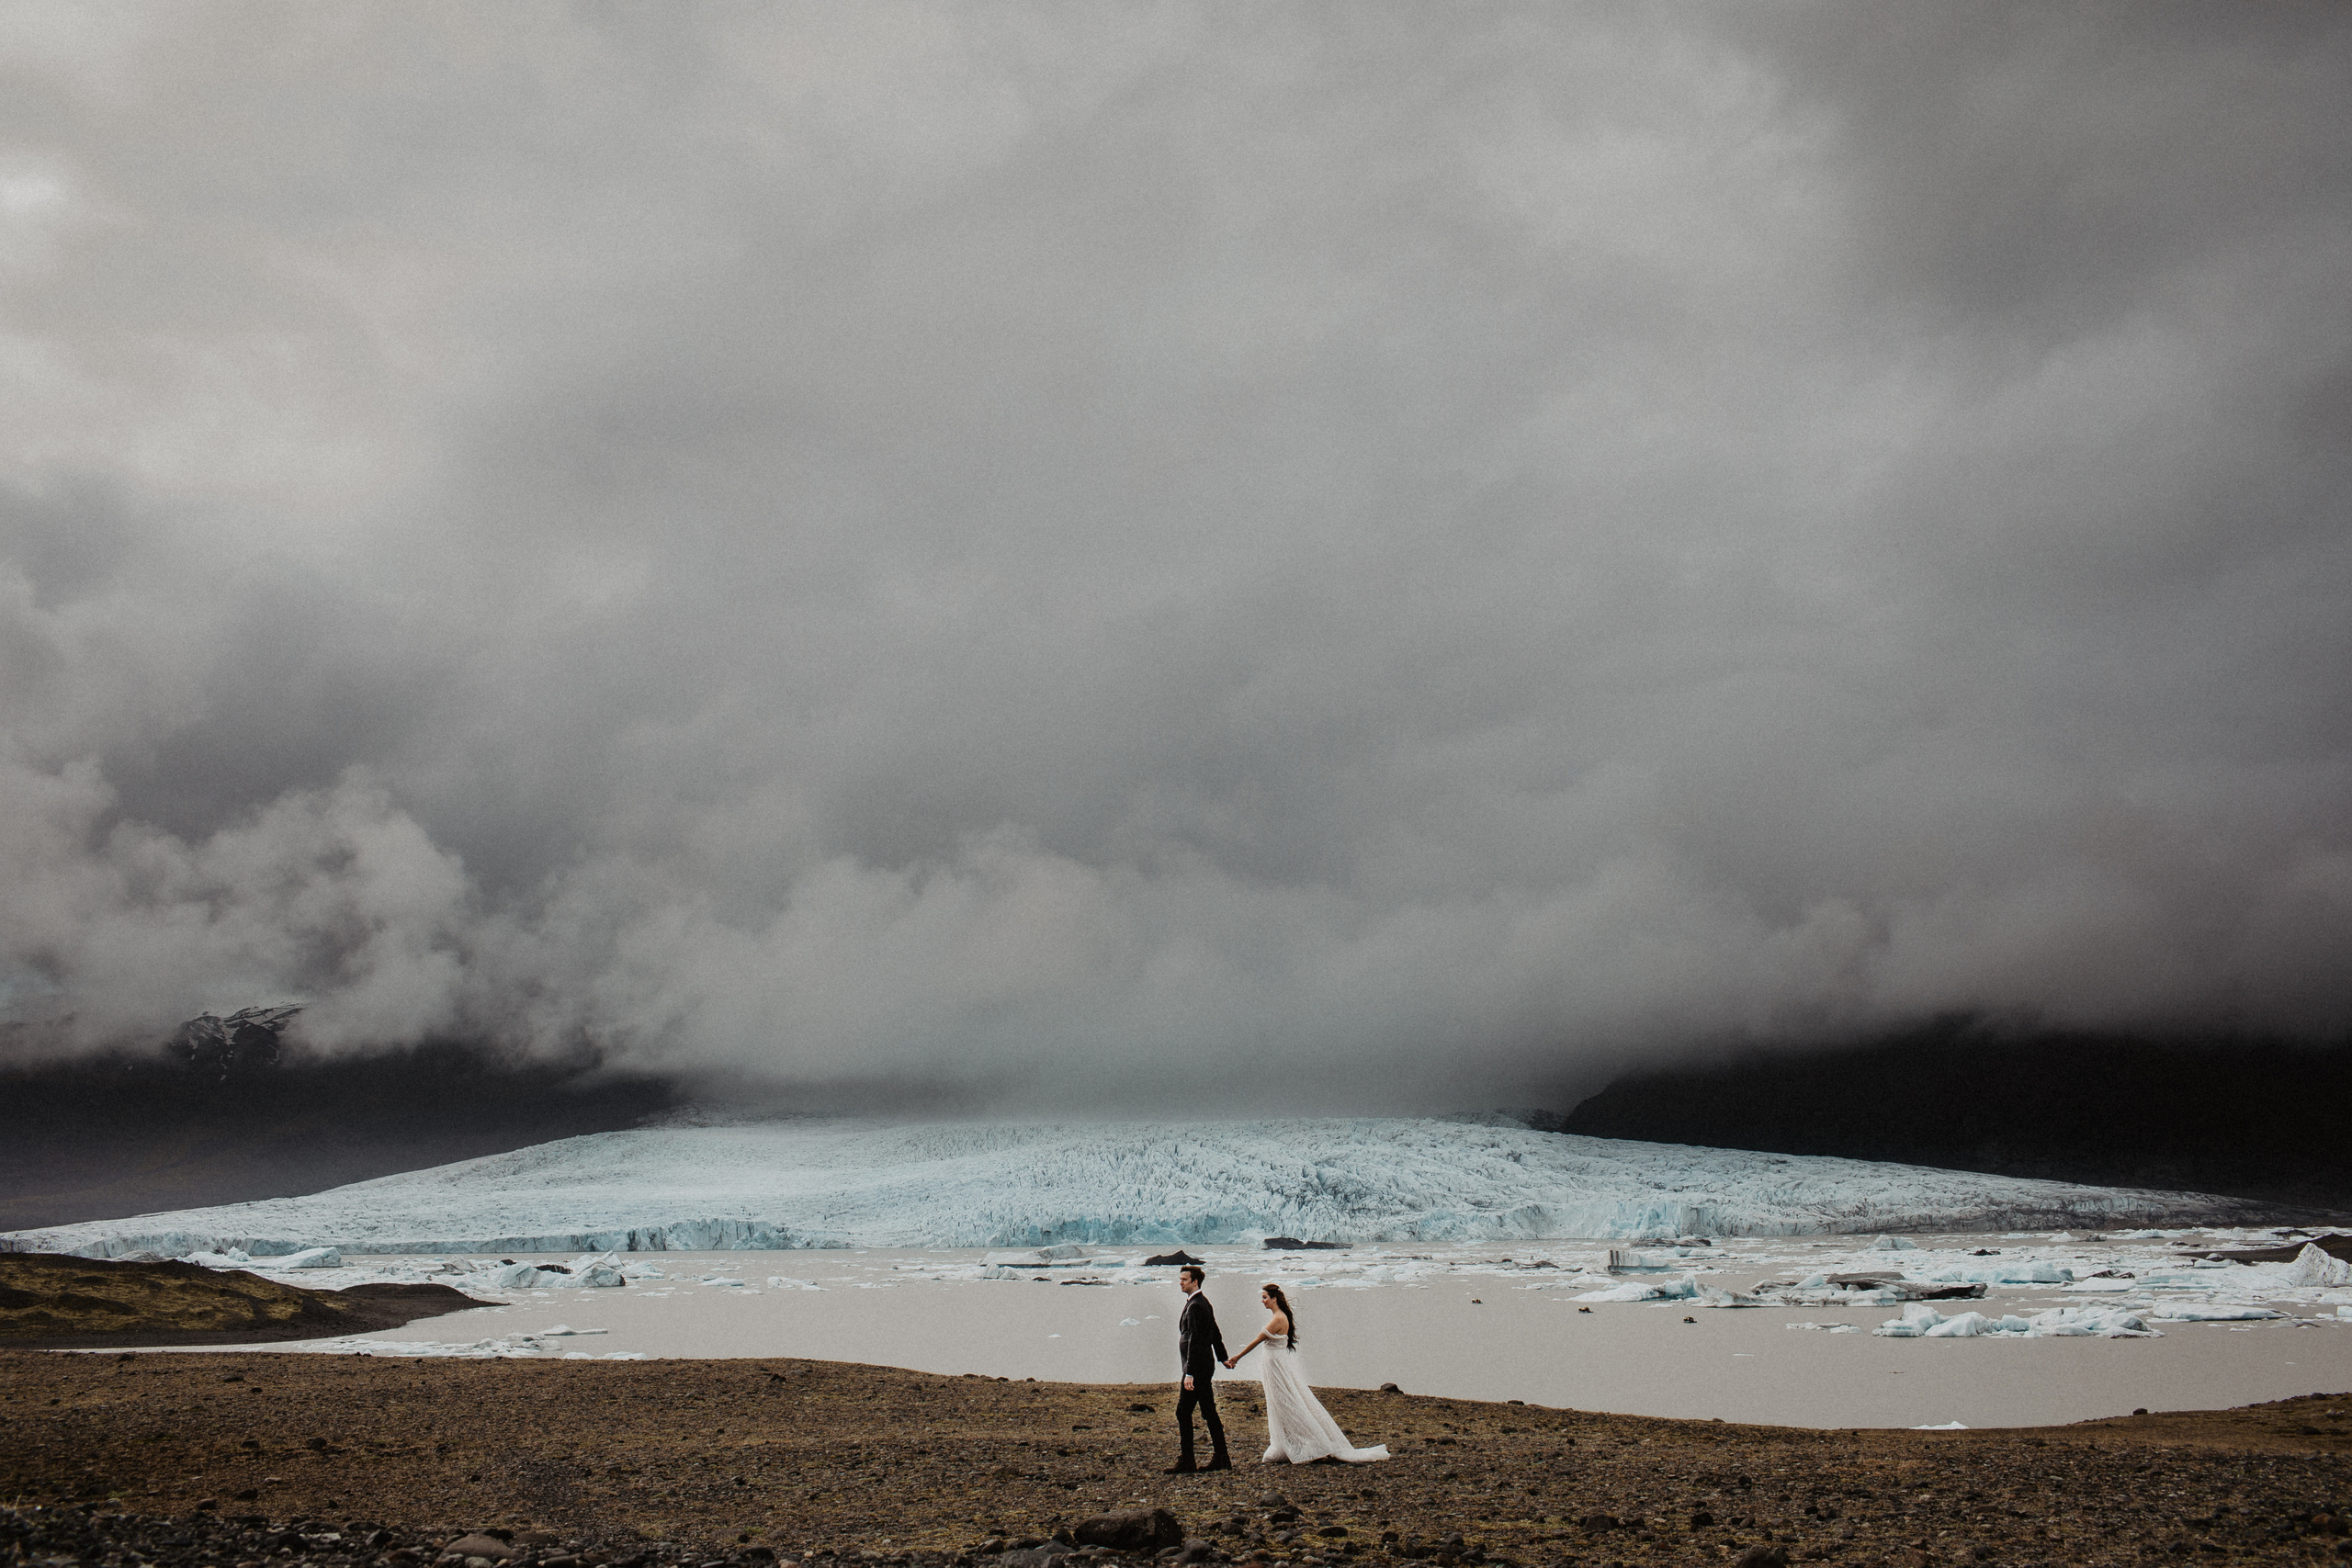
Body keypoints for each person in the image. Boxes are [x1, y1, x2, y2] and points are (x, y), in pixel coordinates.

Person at [1225, 1282, 1390, 1464]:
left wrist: (1236, 1357)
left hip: (1276, 1367)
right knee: (1279, 1402)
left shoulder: (1278, 1319)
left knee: (1285, 1401)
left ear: (1274, 1299)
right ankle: (1284, 1443)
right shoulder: (1281, 1316)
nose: (1262, 1301)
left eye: (1265, 1297)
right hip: (1275, 1365)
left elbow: (1257, 1341)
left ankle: (1305, 1443)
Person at [1167, 1264, 1232, 1473]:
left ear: (1195, 1281)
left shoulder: (1196, 1305)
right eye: (1180, 1279)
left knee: (1183, 1412)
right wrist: (1222, 1358)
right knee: (1209, 1411)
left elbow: (1195, 1340)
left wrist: (1189, 1372)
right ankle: (1221, 1457)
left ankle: (1188, 1461)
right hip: (1204, 1366)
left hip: (1197, 1369)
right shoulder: (1202, 1302)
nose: (1181, 1282)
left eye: (1184, 1279)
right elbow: (1214, 1332)